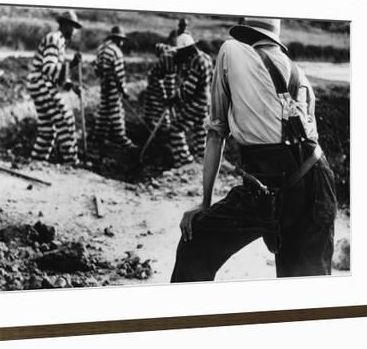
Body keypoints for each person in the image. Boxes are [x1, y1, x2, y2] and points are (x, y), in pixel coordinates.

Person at [170, 18, 337, 282]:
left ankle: (186, 318)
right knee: (305, 289)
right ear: (275, 38)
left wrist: (204, 203)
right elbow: (309, 138)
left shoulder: (231, 50)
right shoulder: (299, 74)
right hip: (319, 182)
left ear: (245, 32)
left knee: (197, 241)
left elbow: (216, 134)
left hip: (270, 181)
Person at [26, 10, 83, 164]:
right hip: (41, 83)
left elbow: (58, 77)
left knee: (48, 129)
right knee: (66, 119)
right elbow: (49, 68)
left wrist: (72, 85)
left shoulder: (60, 43)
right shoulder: (54, 39)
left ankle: (36, 162)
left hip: (40, 84)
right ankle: (71, 162)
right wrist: (70, 65)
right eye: (73, 27)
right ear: (65, 25)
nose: (75, 31)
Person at [168, 33, 213, 167]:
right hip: (206, 102)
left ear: (188, 49)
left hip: (197, 103)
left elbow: (189, 89)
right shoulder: (207, 58)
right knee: (200, 132)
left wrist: (174, 98)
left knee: (175, 128)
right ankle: (203, 163)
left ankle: (185, 161)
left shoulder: (196, 62)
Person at [92, 25, 136, 150]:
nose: (122, 43)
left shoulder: (101, 49)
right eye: (122, 40)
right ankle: (121, 138)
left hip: (103, 85)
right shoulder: (116, 52)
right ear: (118, 39)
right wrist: (123, 90)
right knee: (117, 111)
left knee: (104, 111)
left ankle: (98, 136)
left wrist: (103, 78)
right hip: (112, 86)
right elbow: (119, 75)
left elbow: (96, 70)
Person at [143, 30, 178, 130]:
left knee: (165, 104)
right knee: (160, 105)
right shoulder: (168, 53)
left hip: (166, 80)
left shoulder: (175, 52)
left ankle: (163, 127)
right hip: (158, 81)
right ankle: (161, 128)